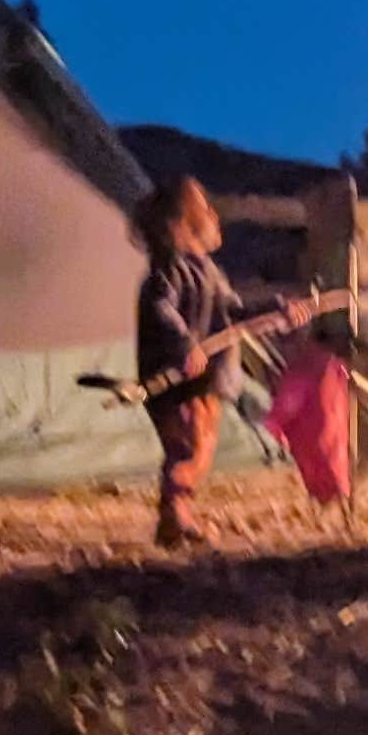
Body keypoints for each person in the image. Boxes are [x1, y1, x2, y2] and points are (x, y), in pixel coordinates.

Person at [132, 173, 245, 551]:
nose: (215, 216)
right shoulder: (170, 272)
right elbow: (160, 308)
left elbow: (234, 312)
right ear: (185, 225)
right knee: (188, 447)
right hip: (178, 381)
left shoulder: (211, 274)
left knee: (201, 445)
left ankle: (174, 519)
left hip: (206, 380)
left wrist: (279, 310)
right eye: (205, 210)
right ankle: (176, 512)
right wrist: (184, 344)